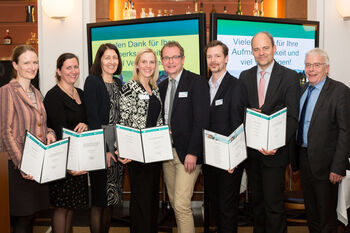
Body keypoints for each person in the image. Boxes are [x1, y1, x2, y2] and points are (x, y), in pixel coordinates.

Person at [239, 31, 300, 233]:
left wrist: (276, 143)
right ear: (252, 52)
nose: (261, 53)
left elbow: (292, 117)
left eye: (265, 48)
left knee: (274, 207)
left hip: (276, 154)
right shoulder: (244, 76)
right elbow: (240, 114)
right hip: (253, 154)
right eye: (256, 49)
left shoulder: (290, 76)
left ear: (274, 48)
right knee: (257, 206)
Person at [291, 48, 350, 233]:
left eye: (316, 65)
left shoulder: (340, 91)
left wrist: (338, 167)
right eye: (308, 65)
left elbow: (346, 131)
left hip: (327, 166)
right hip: (304, 160)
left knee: (326, 219)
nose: (311, 69)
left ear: (327, 68)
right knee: (312, 215)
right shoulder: (302, 90)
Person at [0, 45, 56, 233]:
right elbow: (5, 131)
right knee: (22, 218)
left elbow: (43, 125)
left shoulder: (36, 93)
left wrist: (50, 134)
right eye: (26, 63)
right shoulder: (7, 91)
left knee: (32, 216)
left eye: (35, 62)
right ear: (15, 65)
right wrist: (22, 163)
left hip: (37, 161)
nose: (32, 67)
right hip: (17, 164)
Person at [159, 41, 210, 233]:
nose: (170, 61)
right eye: (166, 58)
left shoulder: (197, 82)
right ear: (162, 61)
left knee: (181, 204)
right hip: (166, 154)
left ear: (183, 59)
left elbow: (202, 120)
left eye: (175, 57)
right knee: (174, 202)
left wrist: (193, 152)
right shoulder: (162, 86)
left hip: (187, 155)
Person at [203, 40, 248, 233]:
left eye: (217, 56)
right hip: (209, 159)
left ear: (226, 58)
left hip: (229, 161)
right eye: (209, 56)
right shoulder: (203, 86)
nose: (213, 61)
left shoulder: (236, 86)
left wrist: (234, 159)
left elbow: (238, 124)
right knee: (216, 207)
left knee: (228, 210)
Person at [43, 53, 89, 233]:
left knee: (71, 208)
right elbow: (60, 131)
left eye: (76, 67)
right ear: (59, 71)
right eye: (68, 67)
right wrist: (70, 164)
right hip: (63, 161)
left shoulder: (81, 94)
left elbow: (87, 121)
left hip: (79, 159)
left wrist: (86, 124)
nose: (73, 71)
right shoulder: (53, 96)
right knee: (62, 208)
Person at [119, 48, 163, 233]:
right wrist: (126, 150)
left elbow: (158, 120)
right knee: (141, 201)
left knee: (152, 199)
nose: (147, 65)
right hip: (137, 153)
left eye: (151, 62)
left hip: (154, 152)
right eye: (143, 62)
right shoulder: (129, 87)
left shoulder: (155, 89)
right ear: (136, 65)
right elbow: (124, 120)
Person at [84, 43, 124, 233]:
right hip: (101, 146)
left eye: (114, 57)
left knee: (111, 200)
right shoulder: (92, 81)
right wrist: (105, 150)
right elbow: (92, 118)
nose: (111, 61)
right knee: (100, 201)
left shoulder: (119, 83)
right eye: (107, 57)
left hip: (117, 148)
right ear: (99, 60)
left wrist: (117, 148)